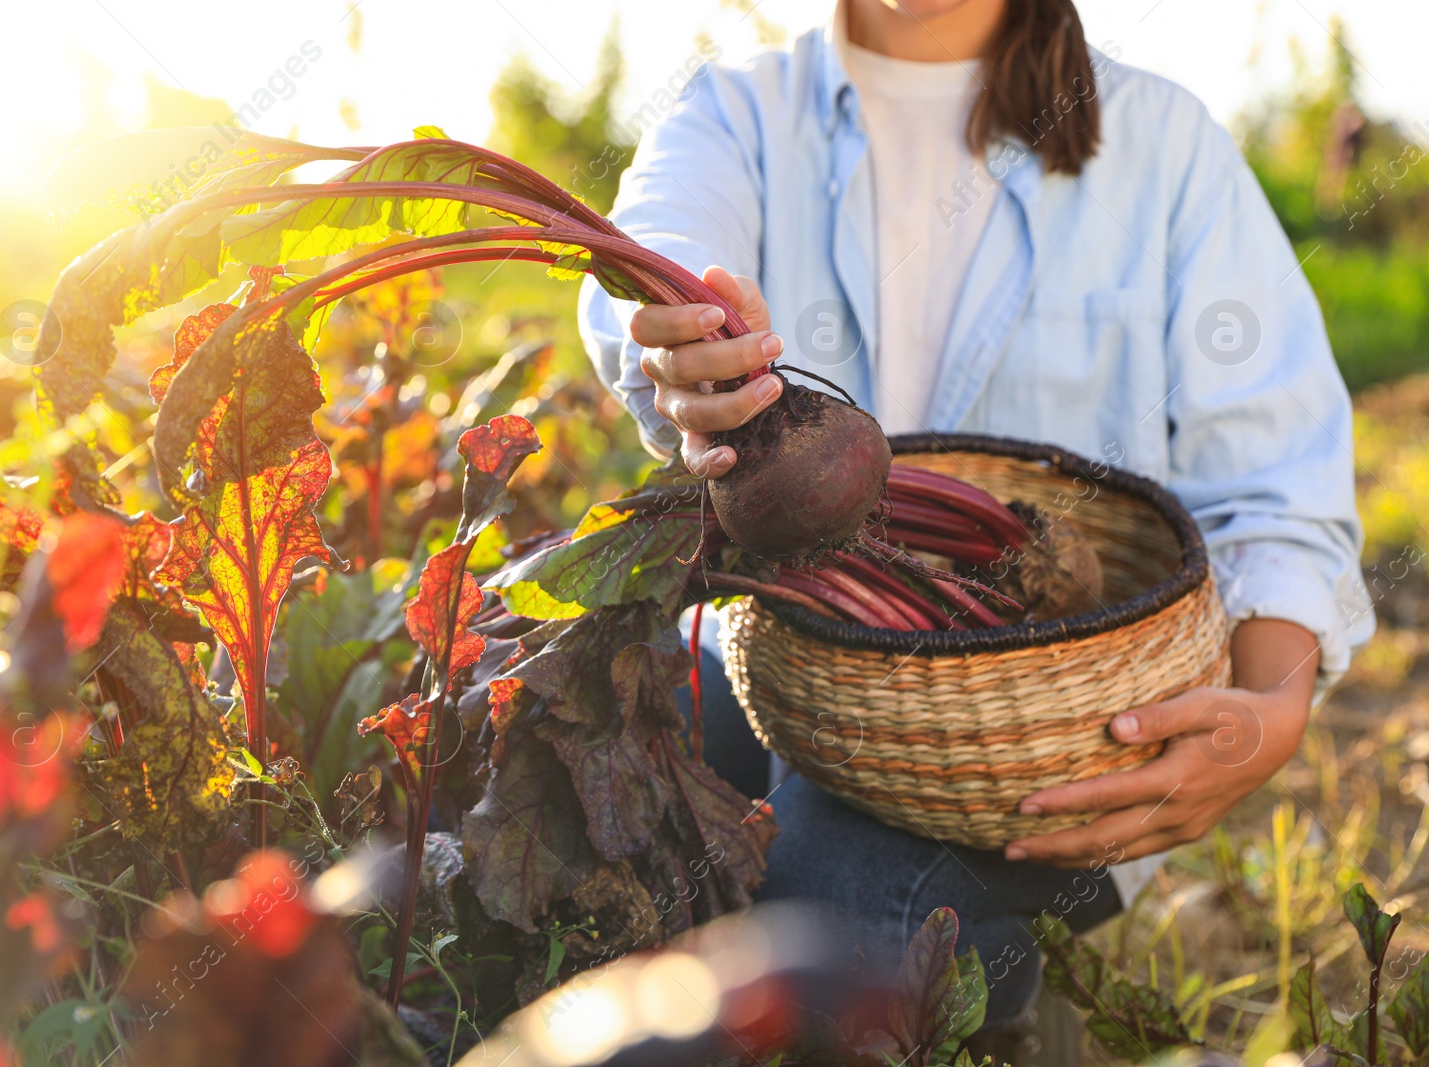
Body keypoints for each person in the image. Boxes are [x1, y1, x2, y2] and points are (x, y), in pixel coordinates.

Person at [580, 0, 1374, 1028]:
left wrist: (1271, 712)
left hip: (1043, 748)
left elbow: (1275, 474)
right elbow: (648, 244)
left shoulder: (1163, 141)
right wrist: (674, 342)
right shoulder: (732, 111)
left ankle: (997, 1005)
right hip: (788, 670)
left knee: (840, 917)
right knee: (589, 792)